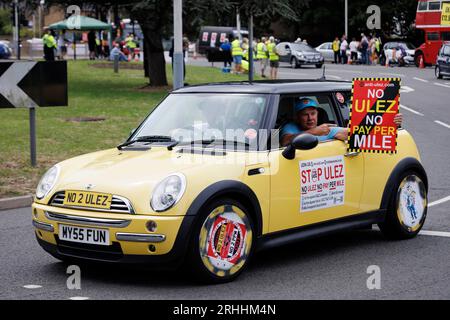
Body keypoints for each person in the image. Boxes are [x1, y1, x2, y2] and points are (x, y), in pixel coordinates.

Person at [280, 97, 403, 147]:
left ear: (318, 114)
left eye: (313, 114)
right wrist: (313, 132)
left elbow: (356, 134)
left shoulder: (326, 129)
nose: (310, 118)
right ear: (297, 118)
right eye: (305, 115)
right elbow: (284, 141)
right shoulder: (291, 127)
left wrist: (390, 123)